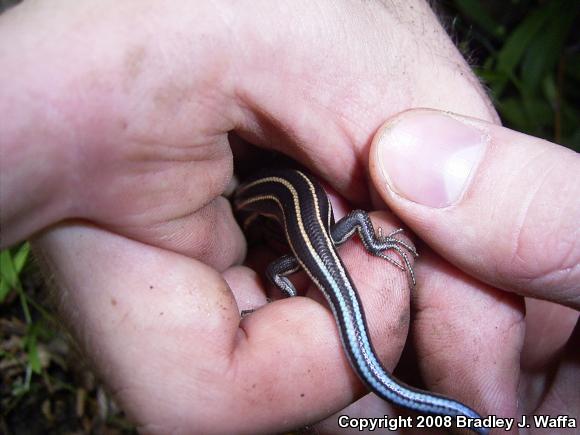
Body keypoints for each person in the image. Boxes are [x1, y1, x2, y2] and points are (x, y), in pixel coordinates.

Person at [1, 1, 578, 433]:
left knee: (355, 341)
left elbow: (276, 259)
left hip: (312, 248)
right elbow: (323, 232)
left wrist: (284, 286)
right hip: (323, 238)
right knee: (370, 346)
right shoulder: (274, 198)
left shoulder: (256, 205)